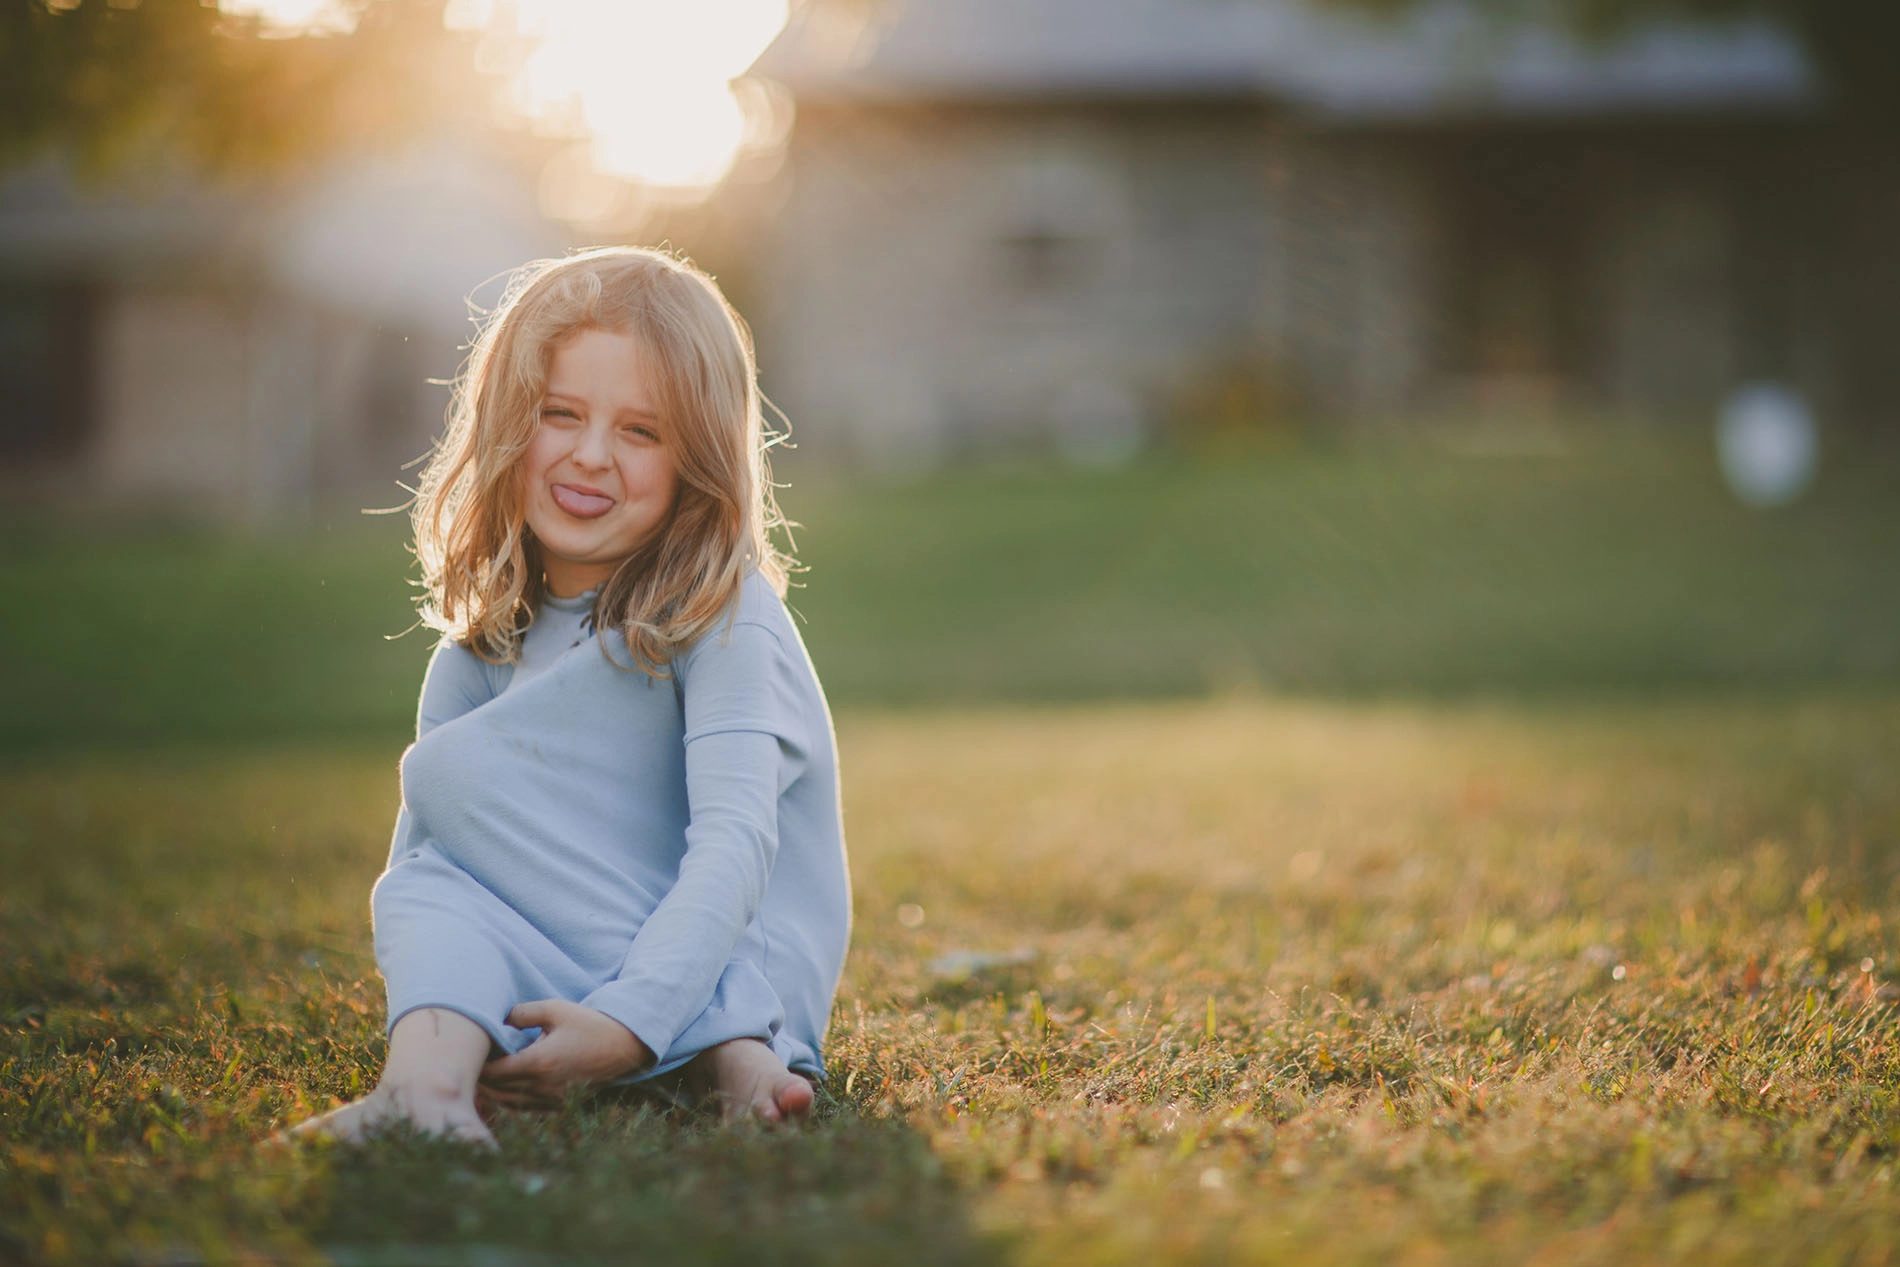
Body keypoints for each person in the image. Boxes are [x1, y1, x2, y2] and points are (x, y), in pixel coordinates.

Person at [284, 246, 851, 1146]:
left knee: (696, 928)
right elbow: (436, 878)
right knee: (430, 881)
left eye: (641, 431)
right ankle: (424, 1092)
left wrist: (628, 1025)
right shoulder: (478, 654)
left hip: (721, 949)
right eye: (561, 414)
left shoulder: (722, 613)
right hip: (567, 950)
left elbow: (736, 846)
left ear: (694, 461)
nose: (591, 456)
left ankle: (741, 1052)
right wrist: (442, 990)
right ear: (510, 424)